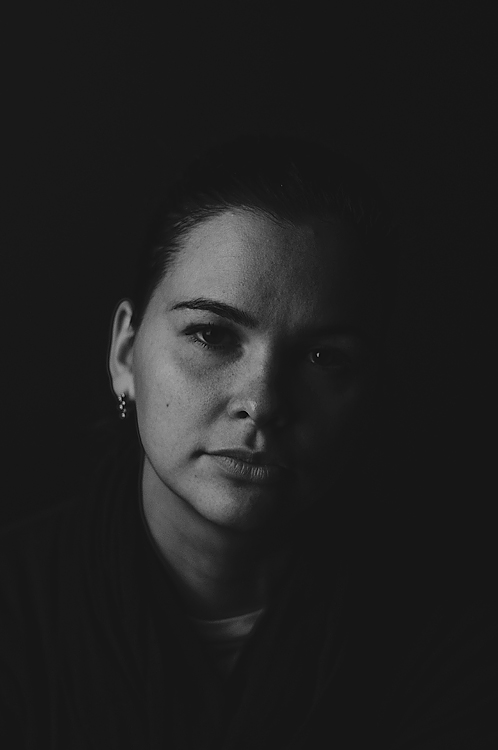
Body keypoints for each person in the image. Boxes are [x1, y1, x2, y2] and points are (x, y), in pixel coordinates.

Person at [0, 135, 495, 748]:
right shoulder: (16, 610)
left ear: (372, 389)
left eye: (323, 358)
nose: (262, 402)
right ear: (125, 353)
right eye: (211, 335)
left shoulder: (453, 631)